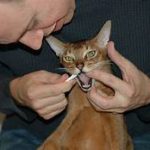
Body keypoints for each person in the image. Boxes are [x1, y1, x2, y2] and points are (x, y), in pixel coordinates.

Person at [0, 0, 150, 150]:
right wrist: (13, 91)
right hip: (30, 133)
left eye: (32, 22)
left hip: (139, 133)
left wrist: (147, 93)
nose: (35, 44)